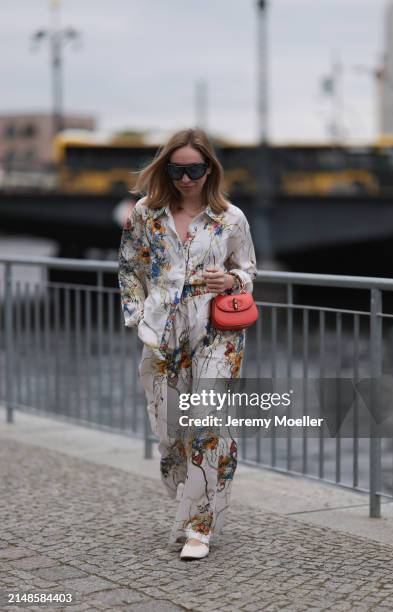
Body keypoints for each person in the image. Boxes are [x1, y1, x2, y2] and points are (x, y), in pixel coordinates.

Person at [118, 127, 257, 560]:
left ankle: (201, 527)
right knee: (171, 433)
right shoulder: (144, 214)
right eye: (177, 170)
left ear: (209, 169)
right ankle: (187, 490)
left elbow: (249, 269)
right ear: (166, 169)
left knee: (209, 423)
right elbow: (128, 270)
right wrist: (138, 318)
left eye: (194, 169)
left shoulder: (230, 218)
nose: (185, 178)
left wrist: (232, 278)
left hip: (217, 329)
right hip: (162, 333)